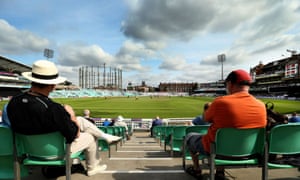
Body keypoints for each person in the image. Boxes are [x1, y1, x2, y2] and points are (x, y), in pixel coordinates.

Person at [6, 60, 121, 177]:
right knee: (90, 136)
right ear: (52, 86)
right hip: (55, 152)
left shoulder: (12, 103)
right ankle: (93, 167)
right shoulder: (53, 108)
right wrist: (71, 115)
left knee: (81, 119)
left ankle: (105, 136)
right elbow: (74, 135)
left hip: (27, 151)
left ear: (32, 81)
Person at [185, 69, 267, 180]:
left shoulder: (220, 102)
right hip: (250, 152)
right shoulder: (261, 106)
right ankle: (219, 173)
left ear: (229, 83)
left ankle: (197, 170)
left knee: (190, 137)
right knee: (222, 138)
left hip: (216, 150)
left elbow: (205, 118)